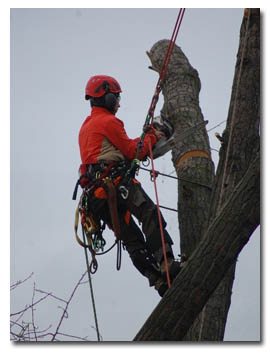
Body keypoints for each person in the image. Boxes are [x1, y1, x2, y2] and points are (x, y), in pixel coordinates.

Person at [77, 75, 181, 297]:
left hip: (97, 198)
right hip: (114, 185)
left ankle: (159, 282)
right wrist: (153, 135)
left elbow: (113, 153)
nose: (118, 103)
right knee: (149, 214)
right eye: (115, 97)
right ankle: (168, 264)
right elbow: (134, 151)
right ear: (105, 96)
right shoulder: (108, 121)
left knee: (132, 240)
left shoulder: (86, 127)